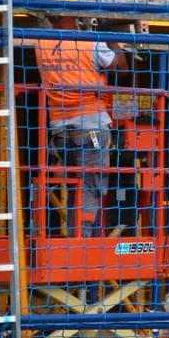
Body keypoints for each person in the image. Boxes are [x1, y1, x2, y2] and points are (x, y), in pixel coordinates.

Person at [32, 17, 129, 237]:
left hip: (59, 130)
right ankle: (80, 244)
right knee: (91, 188)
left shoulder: (41, 43)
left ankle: (74, 237)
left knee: (74, 187)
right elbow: (121, 67)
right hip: (91, 126)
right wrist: (110, 37)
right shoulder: (89, 41)